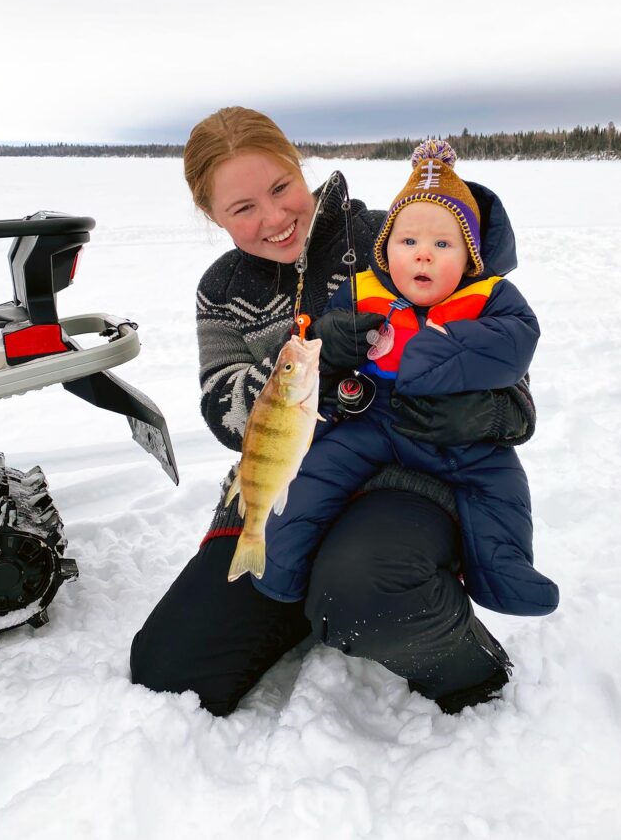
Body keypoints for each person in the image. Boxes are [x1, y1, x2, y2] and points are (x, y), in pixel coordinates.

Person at [130, 107, 538, 716]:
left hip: (406, 482)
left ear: (301, 167)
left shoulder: (392, 235)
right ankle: (312, 595)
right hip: (286, 490)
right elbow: (225, 408)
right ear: (212, 216)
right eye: (242, 209)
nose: (273, 218)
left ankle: (468, 671)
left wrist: (485, 418)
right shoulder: (222, 289)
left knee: (364, 586)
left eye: (279, 188)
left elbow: (511, 383)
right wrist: (312, 364)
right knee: (170, 667)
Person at [260, 140, 559, 619]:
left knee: (499, 485)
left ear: (470, 257)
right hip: (372, 418)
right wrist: (327, 340)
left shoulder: (490, 296)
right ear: (386, 248)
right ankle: (278, 569)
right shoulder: (362, 290)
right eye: (408, 242)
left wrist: (444, 352)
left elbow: (517, 341)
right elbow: (311, 351)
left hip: (455, 429)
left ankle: (505, 577)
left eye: (442, 245)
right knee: (312, 478)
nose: (423, 256)